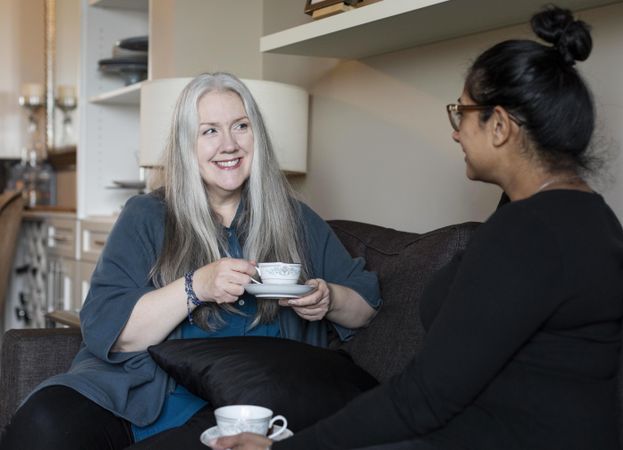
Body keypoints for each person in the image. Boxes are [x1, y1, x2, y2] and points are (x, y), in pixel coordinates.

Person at [211, 5, 623, 450]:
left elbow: (423, 399)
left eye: (462, 114)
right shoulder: (585, 217)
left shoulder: (531, 233)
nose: (455, 133)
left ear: (501, 126)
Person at [0, 73, 381, 450]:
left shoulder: (295, 219)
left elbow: (364, 307)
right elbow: (110, 330)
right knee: (43, 424)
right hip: (136, 392)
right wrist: (196, 286)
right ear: (186, 144)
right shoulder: (147, 215)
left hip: (237, 406)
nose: (228, 144)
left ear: (257, 137)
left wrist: (328, 297)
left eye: (241, 126)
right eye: (209, 131)